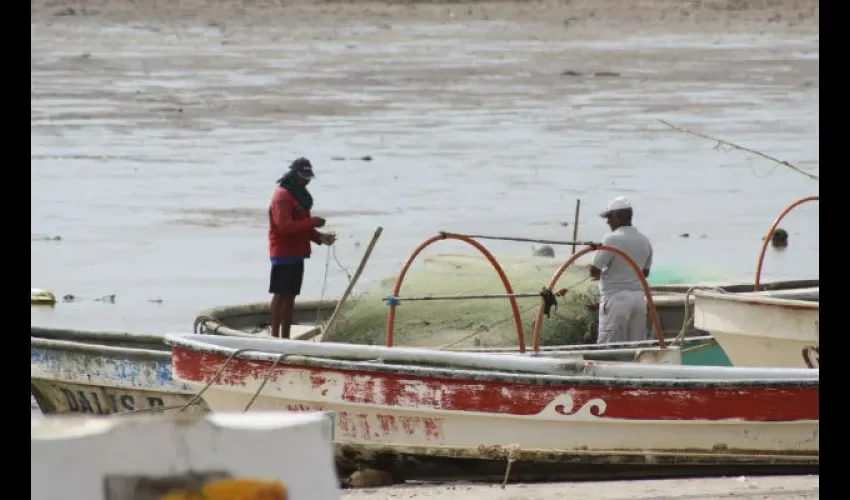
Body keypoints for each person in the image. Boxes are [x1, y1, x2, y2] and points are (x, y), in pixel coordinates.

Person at [268, 157, 336, 339]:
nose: (307, 181)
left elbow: (302, 226)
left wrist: (320, 237)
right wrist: (313, 221)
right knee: (280, 295)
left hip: (297, 253)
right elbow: (284, 227)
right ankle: (274, 337)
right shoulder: (282, 195)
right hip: (283, 253)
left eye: (309, 178)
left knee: (291, 296)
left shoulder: (299, 196)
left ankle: (286, 337)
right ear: (294, 174)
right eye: (304, 177)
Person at [589, 196, 653, 344]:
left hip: (616, 299)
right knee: (635, 346)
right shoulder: (645, 240)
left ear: (619, 216)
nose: (607, 222)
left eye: (609, 217)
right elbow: (645, 273)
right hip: (639, 300)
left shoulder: (611, 239)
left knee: (609, 347)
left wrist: (597, 252)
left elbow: (594, 271)